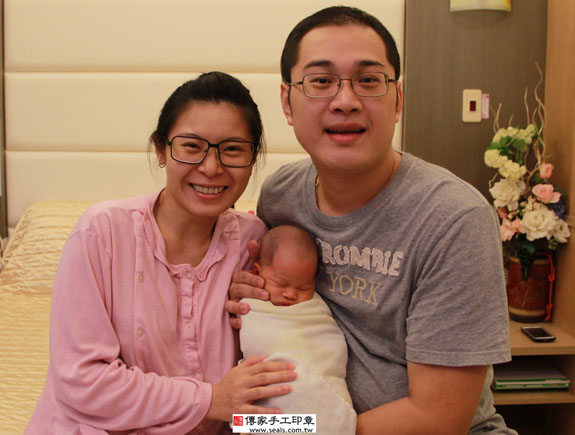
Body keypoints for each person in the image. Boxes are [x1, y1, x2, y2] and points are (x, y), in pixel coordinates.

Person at [227, 6, 515, 434]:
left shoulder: (454, 219)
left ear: (398, 99)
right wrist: (248, 294)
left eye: (368, 80)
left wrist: (287, 429)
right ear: (287, 102)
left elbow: (439, 419)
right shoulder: (280, 195)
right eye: (321, 81)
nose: (346, 101)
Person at [25, 72, 296, 435]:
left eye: (232, 149)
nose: (211, 167)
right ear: (160, 149)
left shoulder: (255, 245)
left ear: (253, 159)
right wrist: (210, 399)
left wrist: (321, 426)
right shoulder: (102, 231)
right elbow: (81, 382)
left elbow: (266, 395)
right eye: (191, 146)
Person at [239, 225, 356, 434]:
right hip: (274, 405)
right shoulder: (252, 305)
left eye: (304, 287)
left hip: (322, 398)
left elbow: (330, 350)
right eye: (280, 284)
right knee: (242, 421)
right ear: (257, 272)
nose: (291, 294)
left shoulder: (315, 310)